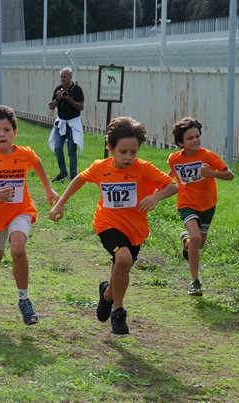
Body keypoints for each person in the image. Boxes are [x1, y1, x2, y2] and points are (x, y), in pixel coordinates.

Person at [49, 117, 178, 334]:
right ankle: (118, 312)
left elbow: (171, 186)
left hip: (134, 229)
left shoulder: (144, 169)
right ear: (110, 148)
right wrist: (60, 204)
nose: (128, 157)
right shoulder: (101, 168)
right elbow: (79, 179)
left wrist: (156, 197)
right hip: (107, 224)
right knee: (123, 258)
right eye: (123, 152)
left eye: (133, 152)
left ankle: (108, 294)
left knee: (122, 267)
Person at [0, 105, 59, 325]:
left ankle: (24, 300)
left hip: (21, 211)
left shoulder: (25, 154)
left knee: (18, 250)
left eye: (7, 130)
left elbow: (37, 163)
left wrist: (48, 188)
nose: (2, 134)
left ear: (14, 132)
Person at [167, 117, 234, 296]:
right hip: (186, 203)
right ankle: (195, 281)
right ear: (181, 142)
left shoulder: (208, 156)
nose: (195, 140)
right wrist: (157, 191)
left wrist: (210, 173)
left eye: (197, 136)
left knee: (198, 243)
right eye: (190, 138)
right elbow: (170, 176)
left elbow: (230, 175)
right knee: (197, 238)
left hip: (207, 204)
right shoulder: (174, 159)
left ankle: (185, 241)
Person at [48, 67, 85, 182]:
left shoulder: (77, 89)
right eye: (61, 77)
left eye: (65, 76)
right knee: (58, 147)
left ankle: (73, 175)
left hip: (73, 123)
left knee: (71, 150)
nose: (62, 79)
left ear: (70, 77)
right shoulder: (58, 89)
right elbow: (51, 106)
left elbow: (81, 107)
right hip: (61, 123)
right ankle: (63, 172)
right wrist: (58, 99)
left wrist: (68, 99)